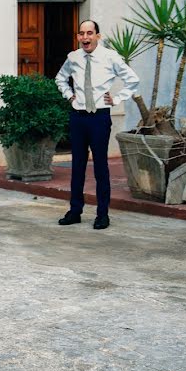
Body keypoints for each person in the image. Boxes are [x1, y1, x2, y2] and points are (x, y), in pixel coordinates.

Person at [54, 20, 139, 229]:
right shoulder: (73, 58)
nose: (85, 37)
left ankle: (102, 214)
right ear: (78, 37)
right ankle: (75, 211)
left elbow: (133, 80)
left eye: (89, 33)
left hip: (99, 117)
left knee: (100, 166)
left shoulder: (110, 57)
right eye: (81, 33)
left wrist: (117, 99)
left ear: (97, 36)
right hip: (78, 116)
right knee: (78, 166)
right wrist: (69, 96)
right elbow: (60, 79)